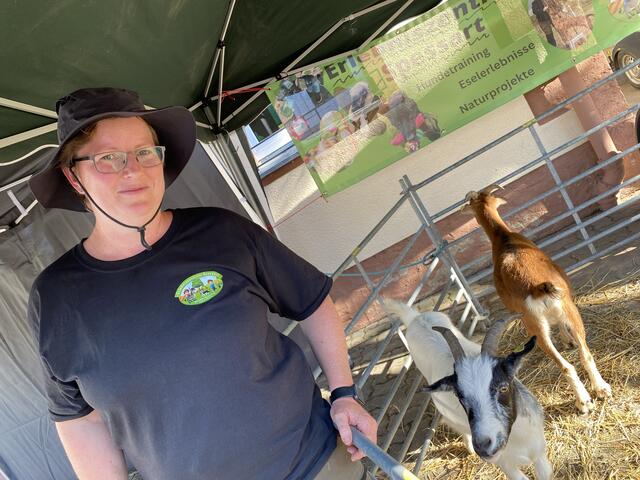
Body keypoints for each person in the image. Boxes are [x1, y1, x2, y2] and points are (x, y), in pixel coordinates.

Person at [27, 87, 377, 480]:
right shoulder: (56, 298)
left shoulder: (222, 233)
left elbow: (312, 301)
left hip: (317, 465)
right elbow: (78, 419)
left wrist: (344, 393)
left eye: (145, 152)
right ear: (73, 176)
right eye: (108, 158)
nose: (134, 170)